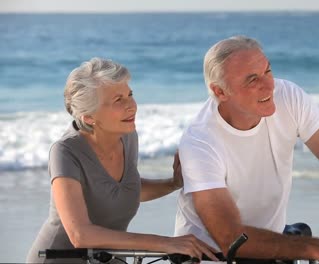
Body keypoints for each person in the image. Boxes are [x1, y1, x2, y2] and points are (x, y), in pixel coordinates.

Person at [174, 36, 319, 264]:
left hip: (270, 246)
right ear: (220, 92)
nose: (269, 86)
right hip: (209, 256)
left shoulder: (290, 98)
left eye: (267, 71)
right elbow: (230, 237)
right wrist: (317, 249)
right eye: (252, 80)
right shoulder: (200, 141)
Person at [26, 58, 217, 263]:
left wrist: (173, 183)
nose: (131, 106)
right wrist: (165, 242)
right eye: (118, 100)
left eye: (130, 95)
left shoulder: (127, 136)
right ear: (89, 116)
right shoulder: (65, 152)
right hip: (60, 259)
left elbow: (123, 190)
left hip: (109, 258)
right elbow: (80, 234)